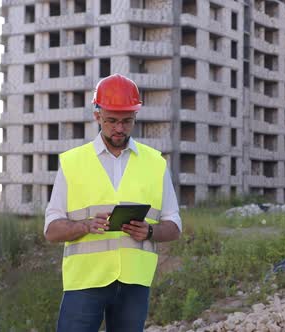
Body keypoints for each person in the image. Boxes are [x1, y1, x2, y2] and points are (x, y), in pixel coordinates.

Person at [44, 74, 182, 332]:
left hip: (134, 282)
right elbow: (51, 230)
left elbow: (174, 225)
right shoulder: (72, 163)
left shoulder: (155, 163)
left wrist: (150, 231)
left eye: (126, 121)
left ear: (135, 118)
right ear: (97, 115)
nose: (119, 128)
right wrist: (84, 226)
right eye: (112, 121)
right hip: (84, 282)